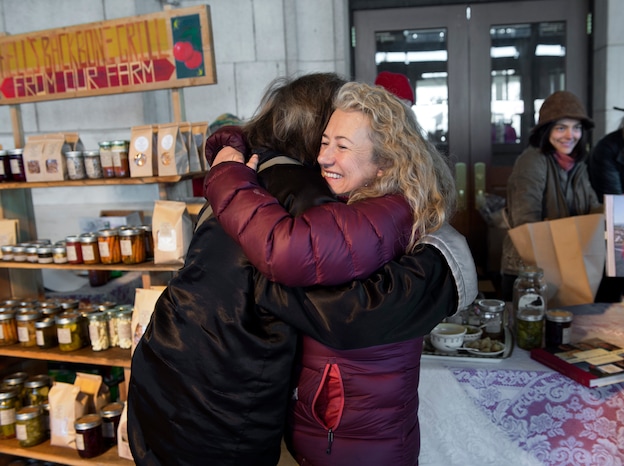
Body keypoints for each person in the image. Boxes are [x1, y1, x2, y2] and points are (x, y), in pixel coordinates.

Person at [129, 73, 477, 466]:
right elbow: (335, 296)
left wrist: (227, 159)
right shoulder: (309, 193)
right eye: (327, 141)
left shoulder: (258, 174)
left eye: (343, 144)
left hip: (165, 367)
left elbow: (343, 304)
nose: (327, 156)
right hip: (222, 404)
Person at [500, 90, 602, 300]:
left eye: (576, 128)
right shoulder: (532, 161)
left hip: (569, 264)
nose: (570, 135)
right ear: (546, 131)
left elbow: (592, 208)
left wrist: (613, 210)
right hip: (528, 272)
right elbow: (525, 222)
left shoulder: (577, 164)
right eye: (561, 128)